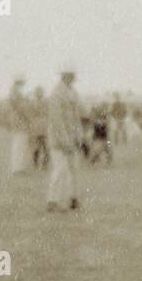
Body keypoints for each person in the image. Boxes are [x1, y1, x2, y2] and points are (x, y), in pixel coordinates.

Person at [46, 64, 83, 211]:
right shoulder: (56, 94)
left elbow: (77, 116)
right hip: (59, 139)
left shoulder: (72, 92)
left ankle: (73, 198)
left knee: (74, 169)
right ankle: (52, 201)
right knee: (60, 169)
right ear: (65, 76)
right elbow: (57, 120)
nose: (73, 78)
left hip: (72, 137)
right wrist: (65, 140)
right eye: (71, 75)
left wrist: (78, 135)